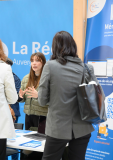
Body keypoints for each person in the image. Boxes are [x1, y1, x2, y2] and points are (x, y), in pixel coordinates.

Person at [38, 31, 96, 160]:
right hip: (83, 128)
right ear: (73, 46)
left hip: (58, 127)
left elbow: (42, 100)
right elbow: (95, 96)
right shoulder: (86, 68)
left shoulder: (50, 66)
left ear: (55, 48)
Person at [19, 52, 48, 160]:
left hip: (42, 118)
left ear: (43, 63)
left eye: (37, 60)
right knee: (27, 147)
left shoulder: (47, 78)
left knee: (39, 148)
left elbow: (53, 100)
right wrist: (20, 97)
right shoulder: (26, 78)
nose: (34, 63)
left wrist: (38, 95)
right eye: (32, 61)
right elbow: (23, 100)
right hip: (29, 117)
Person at [5, 57, 21, 160]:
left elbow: (13, 98)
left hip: (12, 113)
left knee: (13, 140)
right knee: (2, 141)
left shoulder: (16, 79)